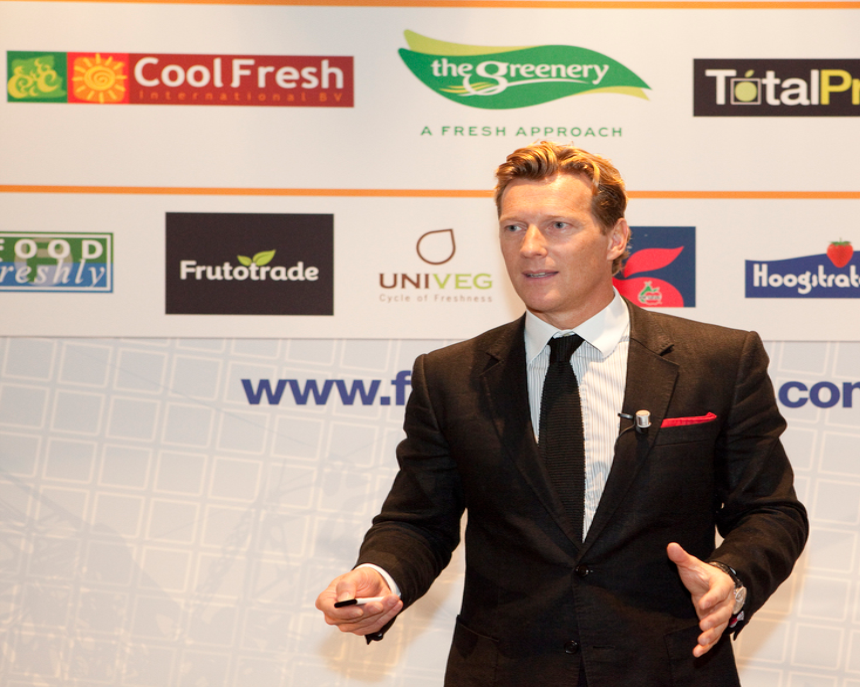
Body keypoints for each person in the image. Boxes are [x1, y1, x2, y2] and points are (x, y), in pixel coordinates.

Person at [315, 142, 808, 686]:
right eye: (513, 228)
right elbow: (418, 520)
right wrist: (380, 574)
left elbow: (771, 511)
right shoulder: (449, 376)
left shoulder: (717, 361)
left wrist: (730, 577)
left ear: (616, 238)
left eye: (558, 226)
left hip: (669, 669)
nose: (530, 247)